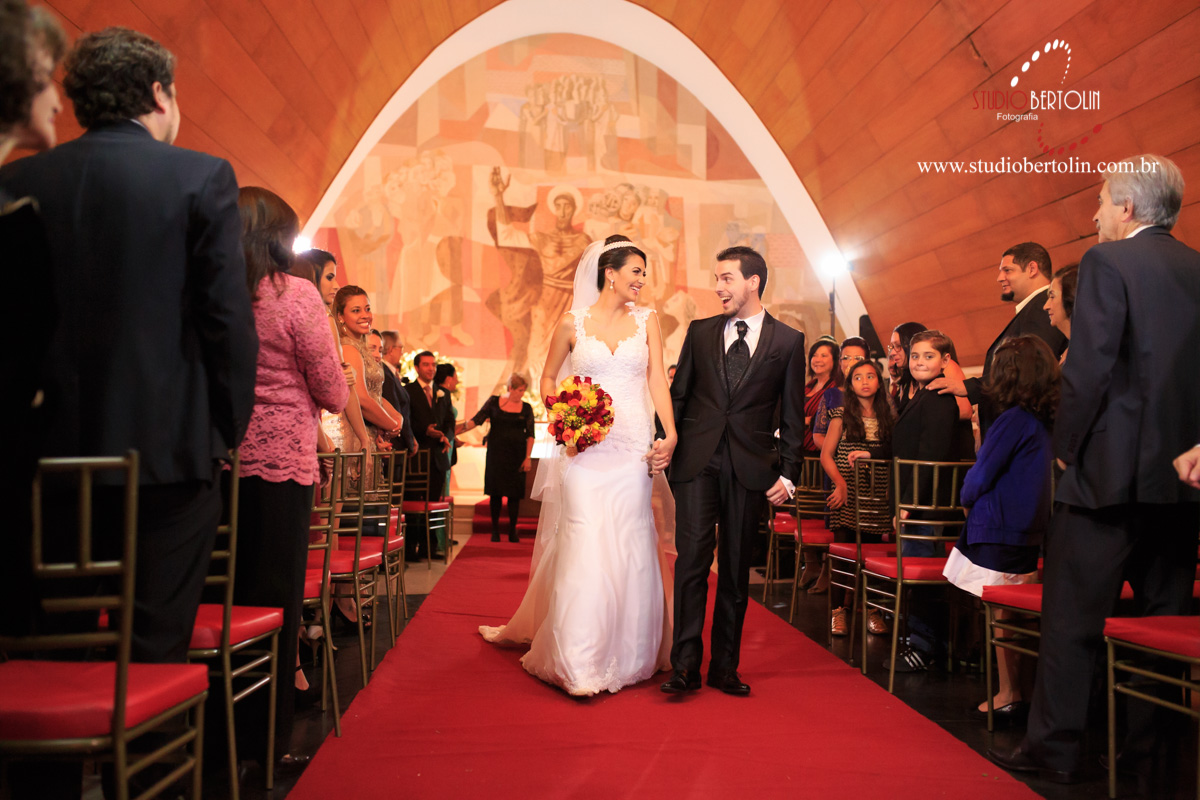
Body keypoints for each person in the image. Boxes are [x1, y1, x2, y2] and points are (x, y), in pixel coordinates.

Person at [0, 27, 258, 665]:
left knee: (46, 653)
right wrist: (225, 430)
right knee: (150, 651)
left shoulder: (17, 180)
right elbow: (226, 320)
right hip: (167, 456)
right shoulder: (200, 177)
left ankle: (53, 732)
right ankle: (142, 732)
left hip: (41, 458)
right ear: (159, 93)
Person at [988, 155, 1200, 789]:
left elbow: (1090, 365)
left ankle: (1055, 749)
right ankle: (1146, 757)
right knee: (1159, 626)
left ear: (1128, 208)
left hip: (1105, 474)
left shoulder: (1108, 262)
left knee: (1071, 622)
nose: (1095, 212)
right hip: (1180, 483)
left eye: (1103, 200)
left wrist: (1067, 446)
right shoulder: (1196, 267)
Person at [480, 234, 678, 697]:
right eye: (636, 271)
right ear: (610, 273)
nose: (641, 280)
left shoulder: (647, 320)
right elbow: (549, 376)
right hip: (585, 449)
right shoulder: (572, 322)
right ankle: (578, 658)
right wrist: (563, 417)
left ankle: (631, 653)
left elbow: (656, 378)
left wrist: (669, 433)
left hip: (632, 447)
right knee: (585, 536)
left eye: (644, 274)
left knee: (629, 540)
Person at [232, 186, 347, 767]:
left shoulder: (211, 288)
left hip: (221, 459)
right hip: (281, 464)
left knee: (224, 600)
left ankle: (217, 735)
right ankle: (264, 741)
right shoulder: (294, 294)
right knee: (273, 601)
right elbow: (332, 389)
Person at [664, 245, 806, 696]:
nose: (718, 287)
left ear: (753, 281)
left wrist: (789, 474)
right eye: (717, 278)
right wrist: (666, 443)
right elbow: (679, 395)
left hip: (751, 469)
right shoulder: (700, 331)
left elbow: (793, 415)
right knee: (691, 563)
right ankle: (684, 666)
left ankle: (725, 667)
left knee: (735, 570)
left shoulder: (788, 342)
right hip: (697, 463)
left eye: (726, 278)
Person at [943, 336, 1057, 719]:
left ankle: (1009, 693)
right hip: (1028, 527)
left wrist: (966, 498)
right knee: (1019, 614)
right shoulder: (1043, 418)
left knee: (1002, 613)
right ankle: (1022, 691)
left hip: (1001, 525)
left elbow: (981, 474)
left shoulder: (1013, 419)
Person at [888, 330, 974, 673]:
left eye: (928, 356)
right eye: (915, 356)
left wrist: (909, 502)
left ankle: (925, 647)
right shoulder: (923, 394)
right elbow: (906, 443)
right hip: (917, 499)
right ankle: (923, 642)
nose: (919, 362)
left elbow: (930, 455)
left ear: (945, 361)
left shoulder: (938, 396)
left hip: (925, 503)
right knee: (918, 573)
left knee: (921, 575)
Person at [929, 243, 1066, 438]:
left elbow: (1028, 370)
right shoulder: (1032, 310)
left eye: (1007, 270)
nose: (1000, 277)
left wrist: (967, 387)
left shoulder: (1041, 309)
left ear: (1032, 269)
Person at [819, 359, 894, 637]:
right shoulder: (841, 414)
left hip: (876, 496)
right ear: (850, 385)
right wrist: (839, 484)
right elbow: (826, 455)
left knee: (873, 557)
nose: (864, 381)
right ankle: (838, 611)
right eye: (858, 377)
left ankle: (872, 610)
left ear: (879, 382)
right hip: (847, 493)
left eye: (870, 376)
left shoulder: (888, 417)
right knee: (843, 555)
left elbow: (892, 454)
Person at [458, 374, 536, 542]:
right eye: (519, 390)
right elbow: (476, 420)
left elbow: (531, 434)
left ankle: (512, 530)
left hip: (517, 455)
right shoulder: (494, 402)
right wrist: (458, 429)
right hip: (496, 454)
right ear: (510, 388)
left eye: (523, 390)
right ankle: (495, 530)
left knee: (514, 494)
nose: (521, 394)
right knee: (496, 492)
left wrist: (528, 457)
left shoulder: (526, 408)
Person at [404, 350, 453, 560]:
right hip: (417, 456)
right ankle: (410, 548)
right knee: (413, 503)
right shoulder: (408, 391)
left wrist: (446, 437)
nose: (431, 368)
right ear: (417, 368)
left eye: (433, 365)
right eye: (426, 364)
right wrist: (425, 430)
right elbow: (406, 420)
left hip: (437, 457)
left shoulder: (443, 393)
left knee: (432, 505)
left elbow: (449, 421)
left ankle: (429, 549)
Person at [379, 330, 417, 456]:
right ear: (390, 349)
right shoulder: (385, 374)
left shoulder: (391, 373)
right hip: (394, 444)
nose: (402, 352)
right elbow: (396, 410)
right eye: (401, 348)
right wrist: (409, 442)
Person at [1041, 264, 1077, 364]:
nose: (1045, 306)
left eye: (1052, 296)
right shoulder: (1071, 351)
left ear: (1071, 297)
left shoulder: (1089, 353)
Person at [887, 322, 926, 408]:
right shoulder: (906, 381)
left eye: (898, 346)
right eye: (892, 347)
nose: (892, 353)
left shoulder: (931, 381)